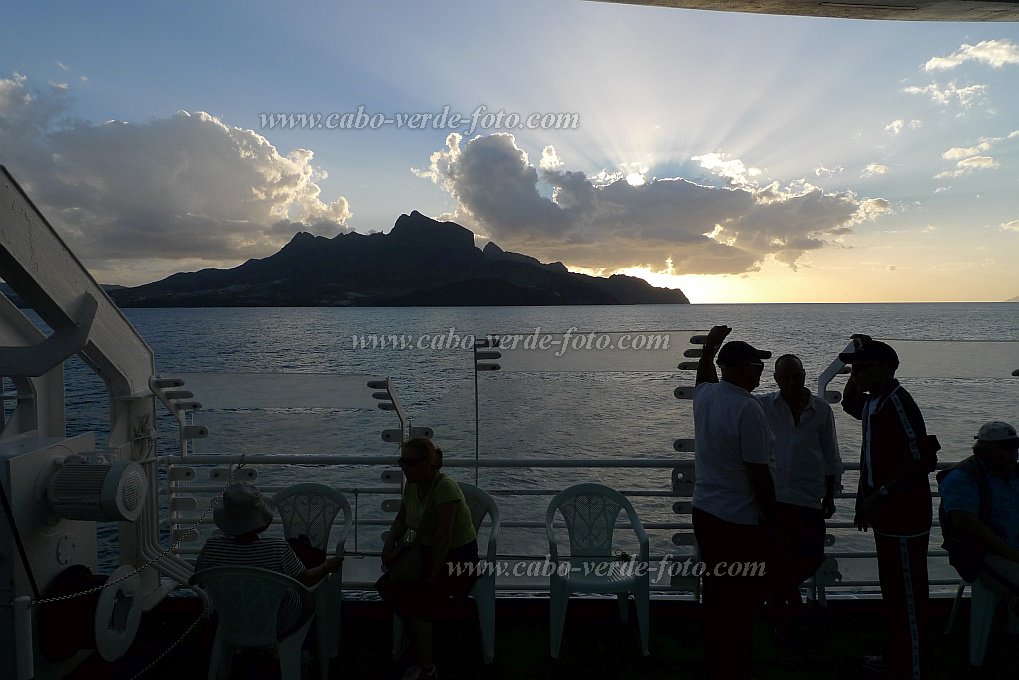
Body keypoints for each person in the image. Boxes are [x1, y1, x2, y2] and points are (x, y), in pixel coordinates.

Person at [840, 336, 938, 678]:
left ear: (884, 369)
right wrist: (863, 501)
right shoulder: (875, 402)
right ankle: (896, 655)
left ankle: (912, 667)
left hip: (905, 517)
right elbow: (849, 403)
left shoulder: (898, 403)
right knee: (894, 593)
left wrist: (877, 496)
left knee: (908, 597)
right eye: (854, 369)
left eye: (863, 369)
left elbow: (921, 461)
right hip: (885, 515)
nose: (856, 375)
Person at [693, 324, 775, 679]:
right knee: (741, 598)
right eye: (757, 366)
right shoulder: (749, 409)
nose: (761, 373)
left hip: (705, 512)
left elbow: (703, 379)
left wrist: (709, 350)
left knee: (715, 591)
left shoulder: (707, 397)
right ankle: (738, 664)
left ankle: (716, 659)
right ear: (742, 370)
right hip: (738, 521)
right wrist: (772, 523)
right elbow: (759, 473)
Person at [377, 438, 479, 680]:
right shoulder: (412, 486)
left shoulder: (445, 488)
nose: (405, 467)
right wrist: (389, 543)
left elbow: (444, 538)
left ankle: (426, 665)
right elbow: (402, 519)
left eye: (411, 462)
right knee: (388, 584)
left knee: (419, 596)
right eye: (402, 462)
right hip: (428, 552)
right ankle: (421, 640)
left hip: (458, 560)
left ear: (429, 464)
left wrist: (431, 577)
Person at [195, 482, 344, 634]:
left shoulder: (212, 547)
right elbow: (305, 580)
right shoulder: (278, 549)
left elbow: (201, 581)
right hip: (277, 623)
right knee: (309, 599)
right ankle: (292, 645)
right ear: (265, 522)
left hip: (230, 621)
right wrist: (328, 566)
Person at [757, 354, 843, 613]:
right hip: (773, 498)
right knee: (772, 557)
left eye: (797, 376)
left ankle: (780, 594)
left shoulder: (821, 410)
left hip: (807, 497)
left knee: (811, 557)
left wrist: (830, 496)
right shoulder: (763, 405)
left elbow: (830, 455)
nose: (792, 383)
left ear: (805, 376)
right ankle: (785, 607)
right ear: (776, 379)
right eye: (786, 378)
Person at [938, 421, 1019, 603]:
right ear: (986, 449)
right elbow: (967, 524)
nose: (1014, 453)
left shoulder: (1013, 473)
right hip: (981, 555)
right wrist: (1013, 555)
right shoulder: (963, 477)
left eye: (1015, 447)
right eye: (1006, 448)